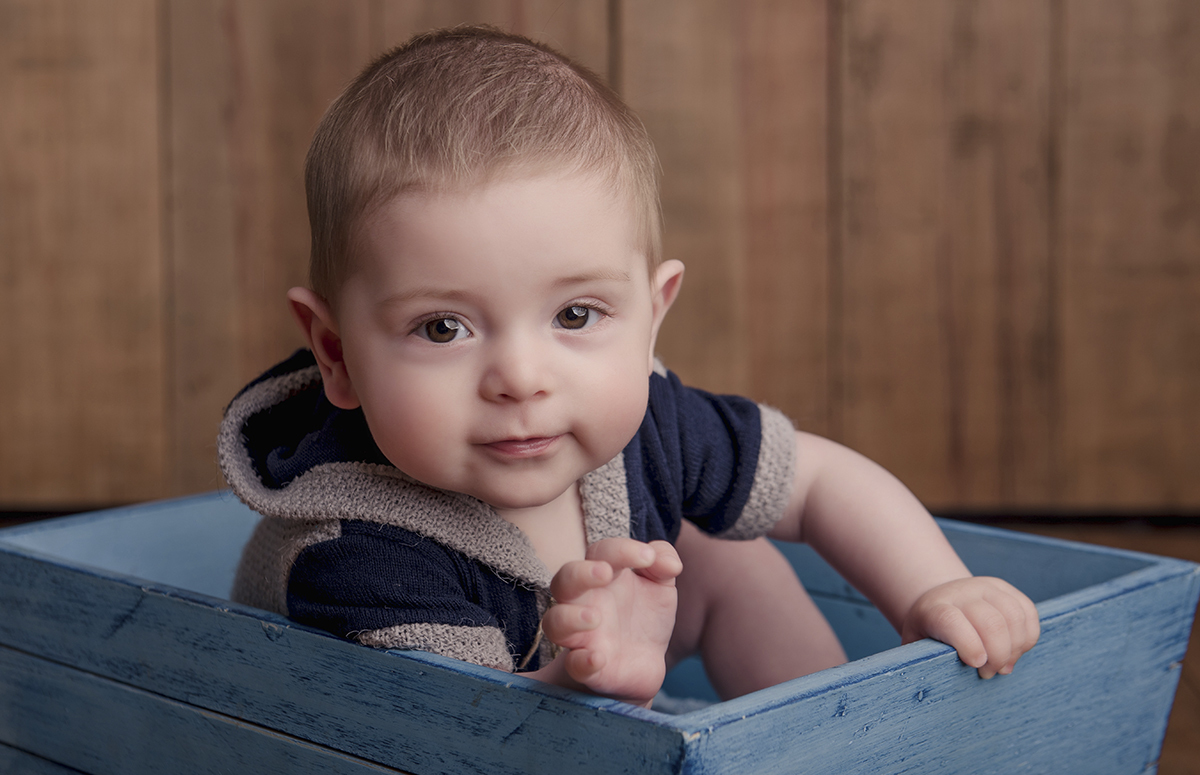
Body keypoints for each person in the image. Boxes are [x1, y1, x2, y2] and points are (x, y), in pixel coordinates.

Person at [218, 26, 1039, 710]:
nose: (521, 378)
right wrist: (585, 682)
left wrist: (935, 590)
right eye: (443, 327)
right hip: (448, 741)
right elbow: (463, 751)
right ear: (337, 354)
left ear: (652, 318)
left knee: (729, 554)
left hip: (594, 656)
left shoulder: (649, 419)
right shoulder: (358, 552)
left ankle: (825, 743)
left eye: (575, 316)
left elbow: (822, 481)